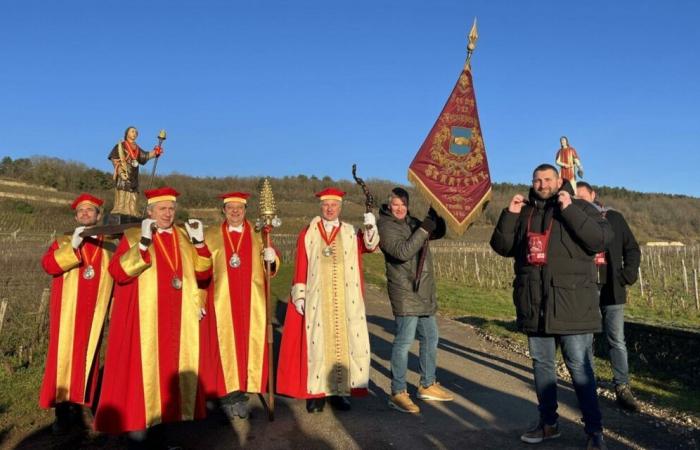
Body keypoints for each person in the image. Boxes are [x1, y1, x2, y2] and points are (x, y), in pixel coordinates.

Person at [490, 164, 612, 450]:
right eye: (537, 180)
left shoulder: (581, 207)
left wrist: (569, 210)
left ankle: (594, 431)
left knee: (580, 370)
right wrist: (510, 215)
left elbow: (600, 240)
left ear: (559, 181)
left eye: (548, 179)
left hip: (572, 304)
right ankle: (548, 424)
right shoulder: (526, 212)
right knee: (542, 368)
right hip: (535, 302)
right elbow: (502, 247)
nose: (542, 184)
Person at [94, 187, 212, 447]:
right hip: (145, 320)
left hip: (178, 320)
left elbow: (203, 274)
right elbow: (119, 272)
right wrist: (144, 244)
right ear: (150, 212)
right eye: (162, 209)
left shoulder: (183, 236)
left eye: (171, 209)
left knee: (170, 379)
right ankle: (138, 435)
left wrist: (201, 243)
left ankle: (165, 436)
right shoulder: (135, 234)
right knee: (142, 376)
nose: (168, 214)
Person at [277, 187, 379, 413]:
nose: (330, 209)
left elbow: (370, 246)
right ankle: (317, 394)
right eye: (326, 205)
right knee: (318, 345)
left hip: (345, 299)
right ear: (320, 207)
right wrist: (300, 294)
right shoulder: (309, 232)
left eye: (334, 205)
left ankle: (340, 393)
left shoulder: (351, 232)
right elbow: (301, 263)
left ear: (340, 207)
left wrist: (371, 227)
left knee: (344, 345)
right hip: (317, 299)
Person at [199, 192, 280, 419]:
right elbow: (200, 267)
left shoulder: (258, 235)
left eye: (239, 208)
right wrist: (199, 297)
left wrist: (272, 258)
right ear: (223, 210)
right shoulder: (211, 235)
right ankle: (228, 397)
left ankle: (241, 392)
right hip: (221, 302)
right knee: (223, 348)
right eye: (230, 208)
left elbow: (271, 267)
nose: (235, 212)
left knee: (246, 347)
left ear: (245, 210)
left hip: (249, 301)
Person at [40, 194, 115, 434]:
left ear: (98, 215)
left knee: (90, 360)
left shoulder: (109, 244)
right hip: (67, 314)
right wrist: (72, 246)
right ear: (75, 216)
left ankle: (85, 406)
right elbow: (49, 266)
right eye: (81, 211)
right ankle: (62, 413)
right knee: (61, 361)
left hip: (95, 314)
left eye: (90, 211)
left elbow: (117, 279)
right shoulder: (63, 241)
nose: (85, 214)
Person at [376, 187, 453, 414]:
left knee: (431, 336)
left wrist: (436, 215)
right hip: (405, 291)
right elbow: (402, 251)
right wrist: (424, 228)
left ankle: (427, 384)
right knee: (404, 341)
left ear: (408, 205)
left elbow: (435, 233)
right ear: (389, 205)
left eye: (403, 204)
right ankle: (398, 391)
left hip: (423, 290)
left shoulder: (412, 222)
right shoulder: (385, 226)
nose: (399, 209)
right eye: (395, 205)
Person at [576, 181, 641, 411]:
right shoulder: (573, 221)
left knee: (617, 341)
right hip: (585, 290)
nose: (580, 202)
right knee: (585, 341)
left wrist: (627, 275)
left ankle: (622, 387)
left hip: (613, 288)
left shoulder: (614, 218)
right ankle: (588, 387)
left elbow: (632, 248)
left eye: (583, 197)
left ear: (593, 195)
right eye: (576, 199)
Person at [107, 126, 163, 221]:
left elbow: (144, 156)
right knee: (123, 189)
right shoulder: (121, 145)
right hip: (124, 170)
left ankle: (132, 210)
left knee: (133, 191)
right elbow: (114, 159)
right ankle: (120, 209)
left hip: (134, 171)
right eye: (132, 131)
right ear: (127, 133)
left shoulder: (136, 147)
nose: (135, 133)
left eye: (136, 132)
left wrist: (155, 152)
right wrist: (120, 171)